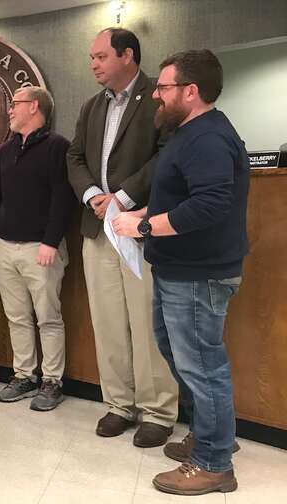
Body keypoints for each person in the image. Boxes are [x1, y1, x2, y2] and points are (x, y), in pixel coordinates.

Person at [112, 50, 248, 496]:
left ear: (191, 92)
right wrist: (142, 217)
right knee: (182, 356)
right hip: (179, 269)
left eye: (164, 88)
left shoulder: (207, 137)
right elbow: (184, 200)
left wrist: (145, 225)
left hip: (198, 274)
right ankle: (211, 435)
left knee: (203, 366)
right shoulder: (189, 134)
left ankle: (213, 462)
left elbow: (210, 204)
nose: (156, 94)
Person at [66, 28, 178, 447]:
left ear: (127, 55)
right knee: (108, 321)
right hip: (98, 229)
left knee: (147, 322)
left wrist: (125, 195)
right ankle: (118, 404)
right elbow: (74, 156)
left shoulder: (157, 97)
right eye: (91, 57)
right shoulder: (91, 105)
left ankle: (158, 411)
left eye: (100, 56)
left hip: (141, 227)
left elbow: (167, 152)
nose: (93, 64)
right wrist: (94, 194)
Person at [0, 87, 74, 411]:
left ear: (34, 106)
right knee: (17, 317)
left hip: (42, 247)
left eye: (14, 104)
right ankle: (24, 375)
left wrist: (51, 240)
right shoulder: (5, 151)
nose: (9, 110)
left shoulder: (57, 147)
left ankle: (52, 381)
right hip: (5, 246)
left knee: (48, 318)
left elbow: (62, 198)